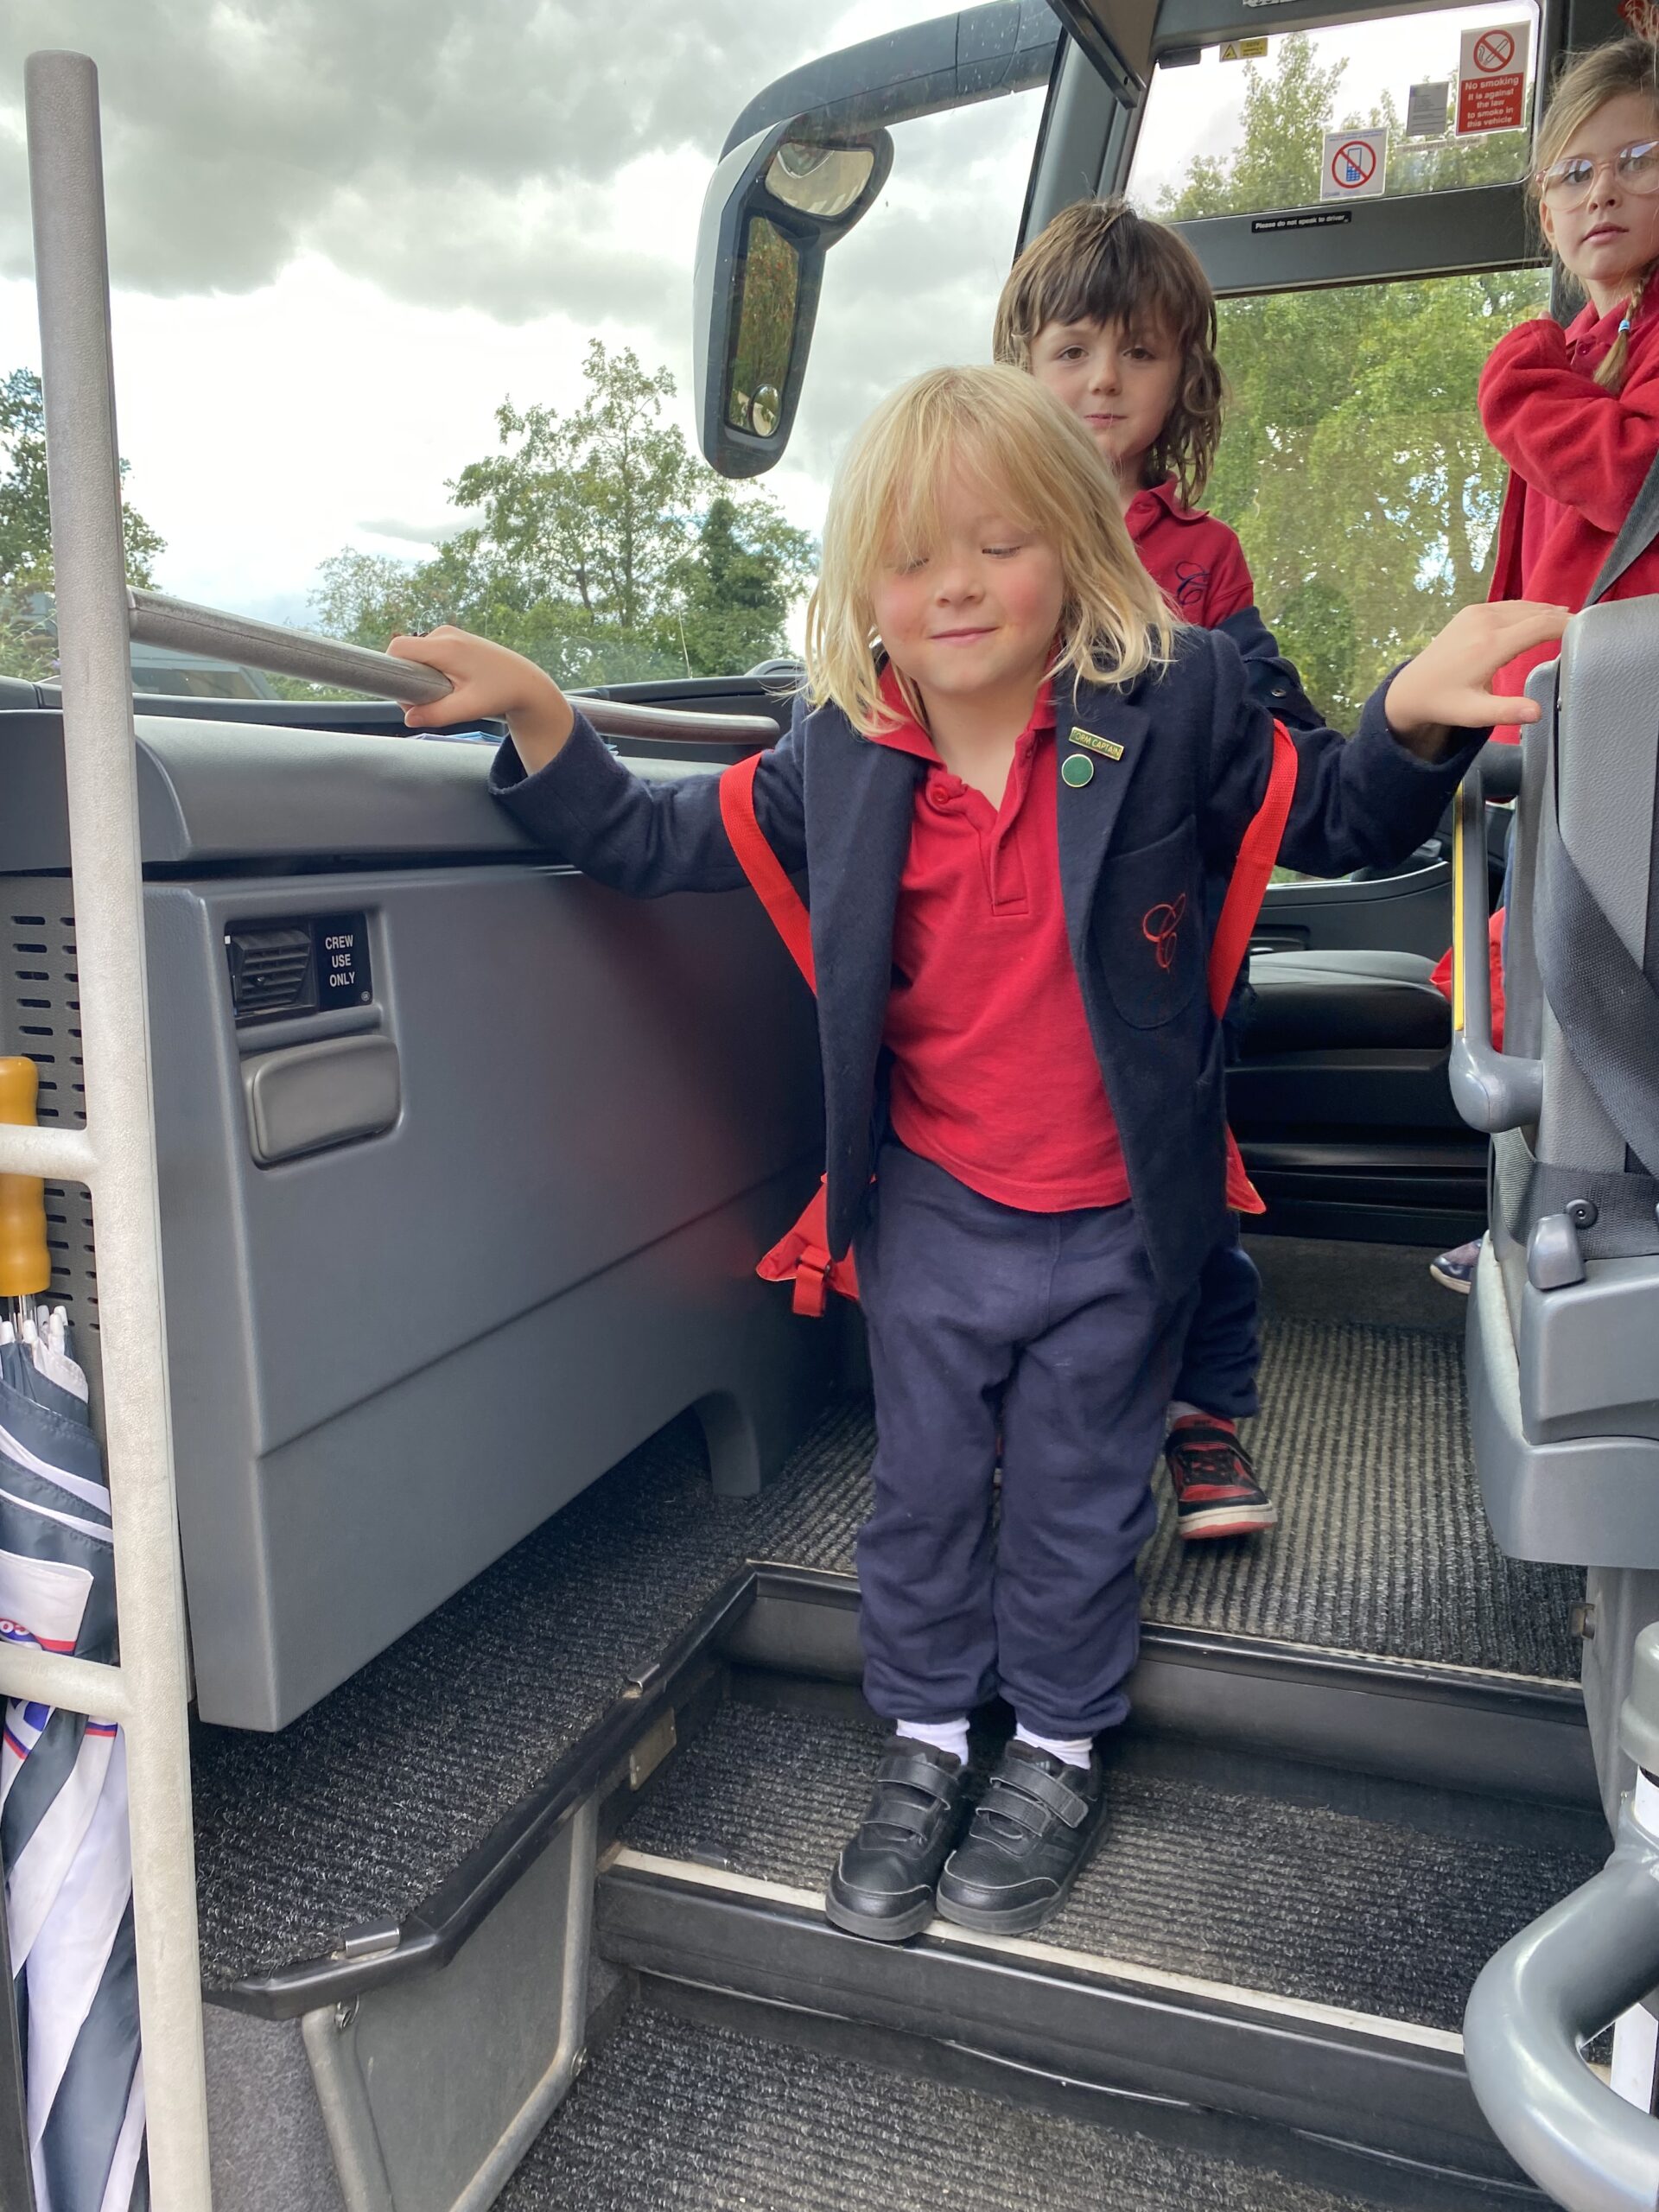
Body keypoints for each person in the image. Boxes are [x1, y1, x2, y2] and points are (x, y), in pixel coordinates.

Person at [390, 365, 1560, 1942]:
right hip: (935, 1211)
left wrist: (1413, 707)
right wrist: (544, 721)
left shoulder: (1180, 707)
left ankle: (1059, 1749)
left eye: (1000, 545)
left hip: (1118, 1225)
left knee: (1080, 1497)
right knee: (926, 1493)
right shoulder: (845, 754)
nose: (953, 587)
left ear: (1077, 550)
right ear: (862, 588)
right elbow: (665, 842)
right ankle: (932, 1740)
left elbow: (1341, 817)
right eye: (911, 558)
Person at [993, 197, 1323, 1538]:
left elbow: (1269, 742)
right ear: (1023, 361)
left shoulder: (1198, 562)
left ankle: (1203, 1415)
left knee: (1187, 1179)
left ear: (1183, 374)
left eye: (1137, 353)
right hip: (1020, 941)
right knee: (1028, 1198)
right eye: (1071, 350)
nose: (1101, 383)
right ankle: (1054, 1413)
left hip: (1169, 941)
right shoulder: (984, 545)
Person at [1430, 31, 1659, 1295]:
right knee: (1535, 975)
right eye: (1572, 175)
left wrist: (1515, 378)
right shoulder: (1580, 353)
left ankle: (1590, 1213)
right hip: (1566, 719)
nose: (1602, 192)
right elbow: (1531, 573)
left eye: (1638, 159)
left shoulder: (1565, 365)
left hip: (1638, 718)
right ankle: (1545, 1205)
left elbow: (1631, 474)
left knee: (1599, 976)